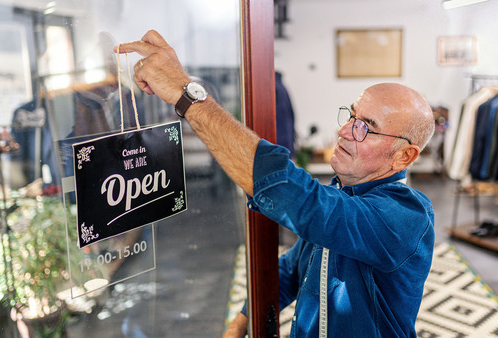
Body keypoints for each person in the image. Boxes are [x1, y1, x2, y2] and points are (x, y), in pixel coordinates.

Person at [117, 30, 436, 337]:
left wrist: (185, 94)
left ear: (404, 156)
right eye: (351, 117)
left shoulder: (406, 217)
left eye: (366, 127)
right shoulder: (345, 193)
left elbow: (298, 198)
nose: (343, 132)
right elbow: (295, 268)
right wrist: (242, 320)